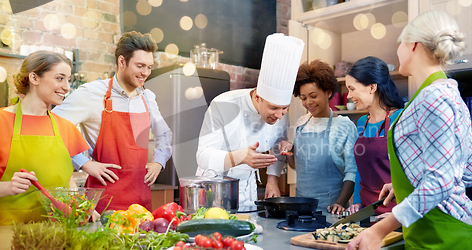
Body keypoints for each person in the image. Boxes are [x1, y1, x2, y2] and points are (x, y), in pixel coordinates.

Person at [346, 11, 472, 250]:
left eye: (399, 45)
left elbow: (441, 181)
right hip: (438, 233)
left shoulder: (432, 99)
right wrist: (406, 185)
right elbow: (469, 173)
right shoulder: (448, 93)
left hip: (443, 238)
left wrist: (379, 229)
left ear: (412, 45)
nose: (397, 52)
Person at [53, 31, 173, 213]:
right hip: (102, 202)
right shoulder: (90, 94)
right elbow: (52, 125)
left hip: (140, 203)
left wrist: (159, 162)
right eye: (140, 66)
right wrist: (84, 163)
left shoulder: (147, 98)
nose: (145, 73)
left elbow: (164, 134)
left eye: (149, 67)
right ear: (121, 61)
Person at [196, 33, 304, 211]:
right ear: (258, 96)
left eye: (284, 108)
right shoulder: (223, 105)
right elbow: (202, 157)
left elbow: (277, 147)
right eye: (274, 108)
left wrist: (272, 179)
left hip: (247, 191)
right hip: (213, 187)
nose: (280, 115)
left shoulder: (282, 114)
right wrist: (241, 157)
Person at [0, 51, 89, 225]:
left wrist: (79, 208)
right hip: (8, 234)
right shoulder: (2, 122)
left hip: (59, 232)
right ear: (34, 78)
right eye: (59, 78)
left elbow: (68, 181)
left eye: (68, 80)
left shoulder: (65, 127)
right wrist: (8, 187)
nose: (66, 87)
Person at [279, 60, 357, 212]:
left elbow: (352, 172)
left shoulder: (344, 126)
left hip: (331, 209)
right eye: (303, 98)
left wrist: (340, 203)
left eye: (313, 96)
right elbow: (297, 166)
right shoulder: (301, 123)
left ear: (328, 92)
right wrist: (288, 152)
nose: (308, 102)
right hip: (301, 207)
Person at [344, 56, 405, 215]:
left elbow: (411, 173)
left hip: (395, 212)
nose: (348, 96)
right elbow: (360, 169)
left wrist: (398, 213)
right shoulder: (362, 123)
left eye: (352, 88)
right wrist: (356, 201)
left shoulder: (400, 119)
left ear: (372, 87)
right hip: (366, 210)